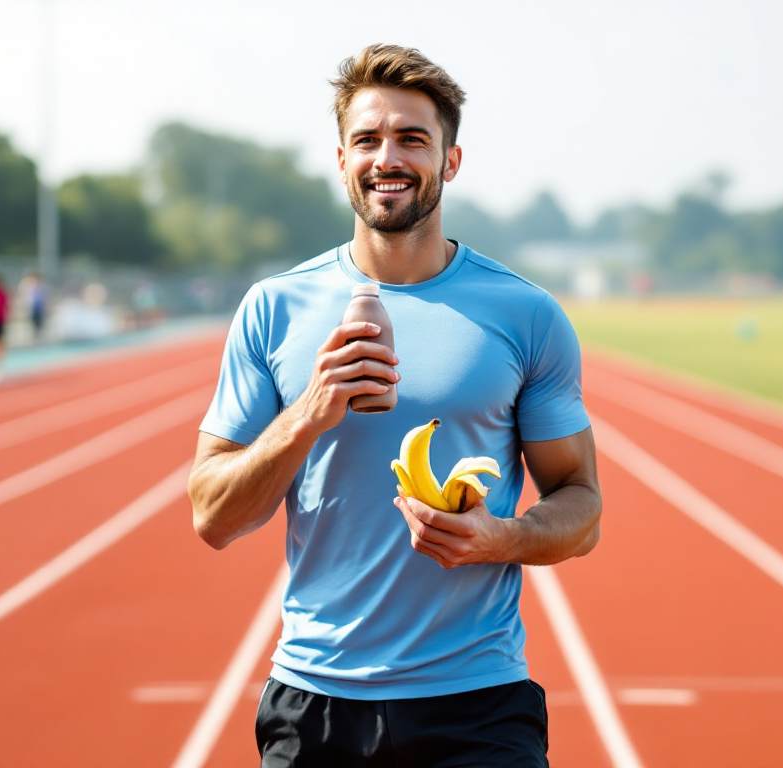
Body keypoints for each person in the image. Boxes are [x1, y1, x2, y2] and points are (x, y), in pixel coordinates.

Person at [188, 45, 601, 767]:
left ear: (451, 159)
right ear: (342, 158)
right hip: (314, 703)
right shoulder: (273, 309)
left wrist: (499, 540)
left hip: (477, 707)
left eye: (413, 138)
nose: (389, 156)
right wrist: (308, 415)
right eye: (368, 139)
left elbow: (582, 505)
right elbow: (212, 516)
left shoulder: (526, 314)